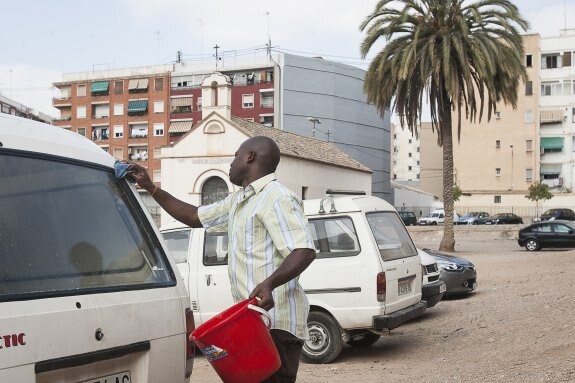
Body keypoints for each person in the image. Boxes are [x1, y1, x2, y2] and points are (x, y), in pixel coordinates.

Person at [127, 136, 316, 382]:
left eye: (236, 155)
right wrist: (151, 188)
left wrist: (269, 283)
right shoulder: (239, 201)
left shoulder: (277, 197)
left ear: (250, 157)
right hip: (251, 324)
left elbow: (303, 250)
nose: (231, 163)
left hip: (277, 322)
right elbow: (195, 216)